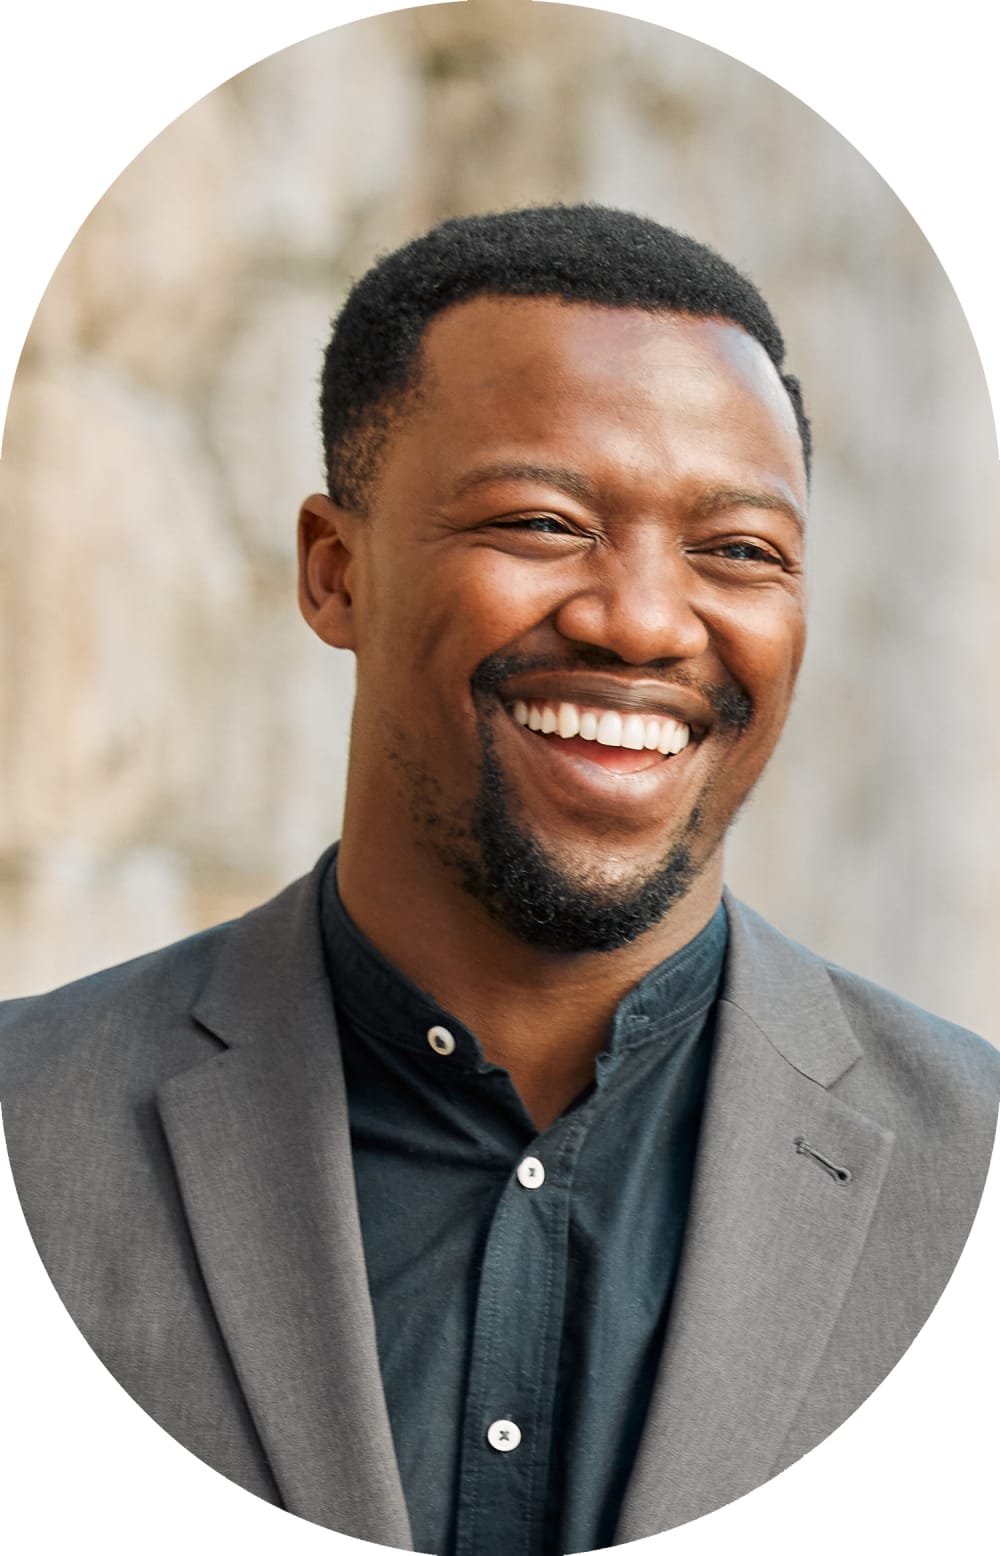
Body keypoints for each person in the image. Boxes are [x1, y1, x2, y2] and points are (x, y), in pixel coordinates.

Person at [1, 205, 997, 1556]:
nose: (643, 621)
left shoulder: (972, 1172)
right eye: (543, 521)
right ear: (335, 572)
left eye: (741, 550)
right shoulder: (31, 1130)